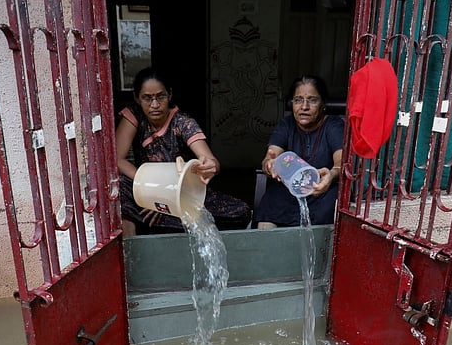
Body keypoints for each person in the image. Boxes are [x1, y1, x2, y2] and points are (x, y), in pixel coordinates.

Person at [116, 67, 251, 236]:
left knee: (241, 212)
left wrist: (210, 166)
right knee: (119, 185)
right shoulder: (135, 115)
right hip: (145, 190)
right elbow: (118, 159)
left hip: (182, 193)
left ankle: (166, 218)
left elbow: (209, 159)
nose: (155, 105)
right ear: (137, 98)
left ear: (170, 95)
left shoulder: (182, 122)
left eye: (161, 96)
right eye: (147, 98)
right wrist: (153, 194)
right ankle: (140, 239)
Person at [256, 75, 344, 228]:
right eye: (298, 100)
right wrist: (270, 164)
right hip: (289, 190)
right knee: (267, 216)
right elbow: (270, 157)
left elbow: (340, 163)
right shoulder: (287, 125)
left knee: (328, 217)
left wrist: (331, 175)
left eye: (312, 100)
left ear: (323, 104)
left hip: (322, 190)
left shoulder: (334, 125)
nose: (304, 107)